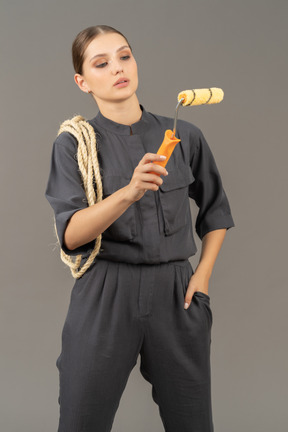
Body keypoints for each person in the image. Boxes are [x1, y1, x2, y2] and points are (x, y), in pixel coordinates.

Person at [45, 24, 235, 432]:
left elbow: (216, 212)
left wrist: (201, 278)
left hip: (176, 294)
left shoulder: (185, 135)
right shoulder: (75, 144)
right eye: (102, 62)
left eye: (125, 56)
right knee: (82, 420)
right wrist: (128, 192)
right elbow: (72, 234)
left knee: (192, 422)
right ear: (82, 81)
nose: (118, 68)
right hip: (105, 293)